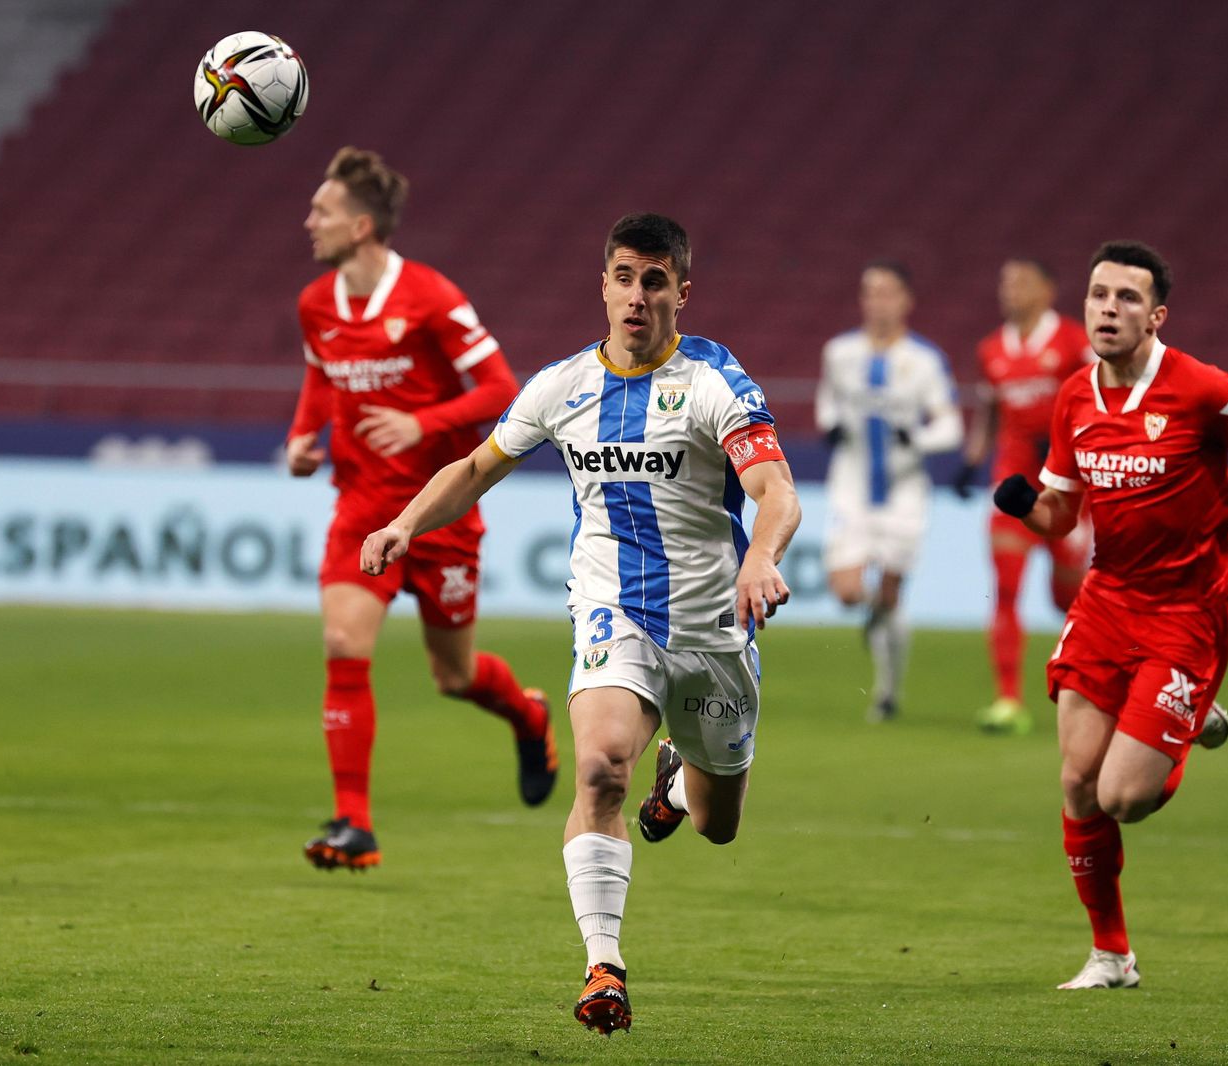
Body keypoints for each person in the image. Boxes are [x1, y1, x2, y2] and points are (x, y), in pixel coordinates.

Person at [361, 213, 801, 1033]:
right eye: (625, 277)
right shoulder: (564, 386)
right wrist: (404, 524)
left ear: (681, 292)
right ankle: (604, 964)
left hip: (712, 626)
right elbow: (474, 467)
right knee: (599, 768)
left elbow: (777, 491)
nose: (638, 296)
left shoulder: (714, 382)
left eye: (655, 280)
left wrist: (760, 557)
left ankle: (679, 773)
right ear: (603, 285)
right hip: (612, 608)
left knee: (717, 825)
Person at [992, 241, 1228, 990]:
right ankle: (1111, 957)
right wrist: (1027, 504)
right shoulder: (1075, 396)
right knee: (1075, 783)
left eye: (1127, 298)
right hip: (1107, 599)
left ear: (1156, 315)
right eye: (1099, 293)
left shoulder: (1201, 389)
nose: (1107, 308)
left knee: (1122, 797)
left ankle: (1193, 717)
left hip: (1187, 611)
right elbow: (1064, 517)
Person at [286, 146, 557, 872]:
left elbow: (503, 389)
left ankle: (529, 716)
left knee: (454, 678)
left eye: (324, 211)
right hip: (361, 507)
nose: (309, 220)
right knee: (345, 643)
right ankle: (355, 824)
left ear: (363, 225)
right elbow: (320, 378)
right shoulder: (316, 304)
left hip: (440, 510)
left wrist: (423, 424)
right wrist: (301, 439)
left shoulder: (431, 296)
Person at [815, 261, 962, 721]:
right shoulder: (839, 353)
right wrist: (829, 425)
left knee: (893, 592)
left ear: (905, 301)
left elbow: (951, 425)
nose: (877, 301)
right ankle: (877, 613)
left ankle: (887, 692)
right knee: (845, 589)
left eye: (887, 292)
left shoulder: (924, 361)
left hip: (904, 493)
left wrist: (916, 439)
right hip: (852, 488)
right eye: (869, 291)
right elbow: (827, 402)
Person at [954, 258, 1095, 735]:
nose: (1009, 290)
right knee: (1007, 590)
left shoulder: (1075, 342)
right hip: (1013, 486)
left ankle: (1096, 686)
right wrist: (972, 460)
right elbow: (990, 414)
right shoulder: (991, 349)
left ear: (1047, 290)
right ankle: (1008, 700)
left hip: (1068, 487)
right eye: (1005, 281)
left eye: (1021, 282)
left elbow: (1100, 401)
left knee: (1069, 597)